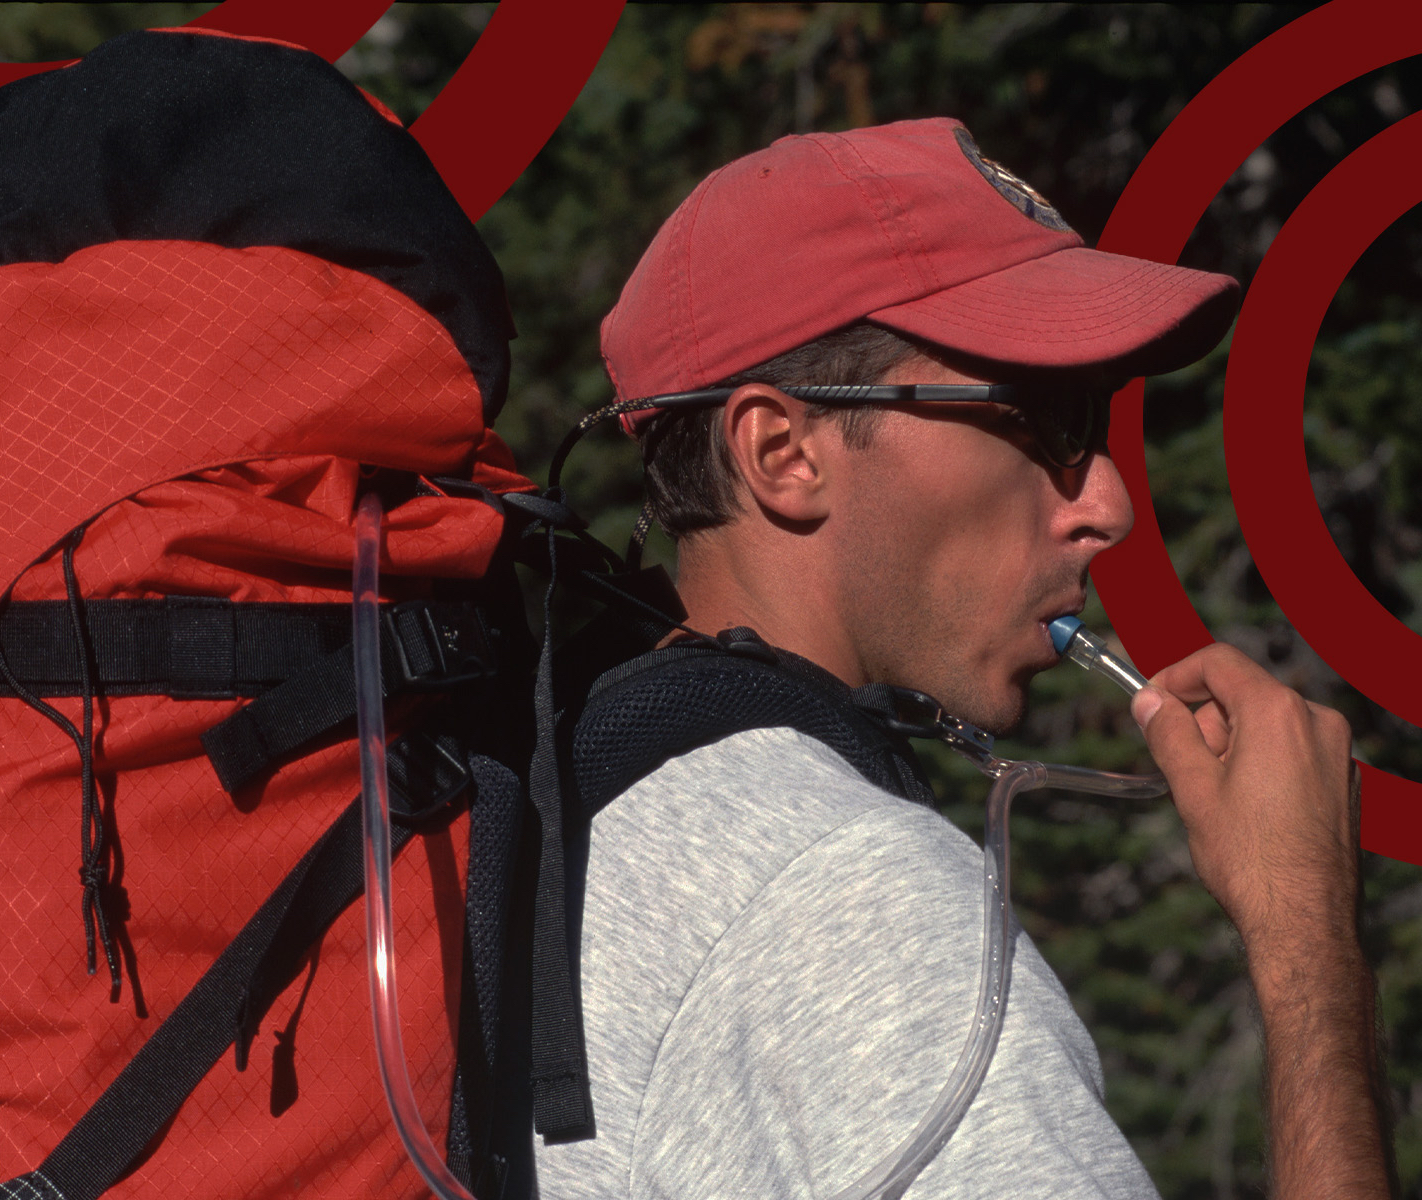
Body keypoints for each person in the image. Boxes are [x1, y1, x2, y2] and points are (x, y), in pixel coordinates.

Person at [533, 119, 1389, 1198]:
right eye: (1046, 420)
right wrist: (1306, 935)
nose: (1110, 506)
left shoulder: (588, 797)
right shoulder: (854, 901)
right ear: (783, 453)